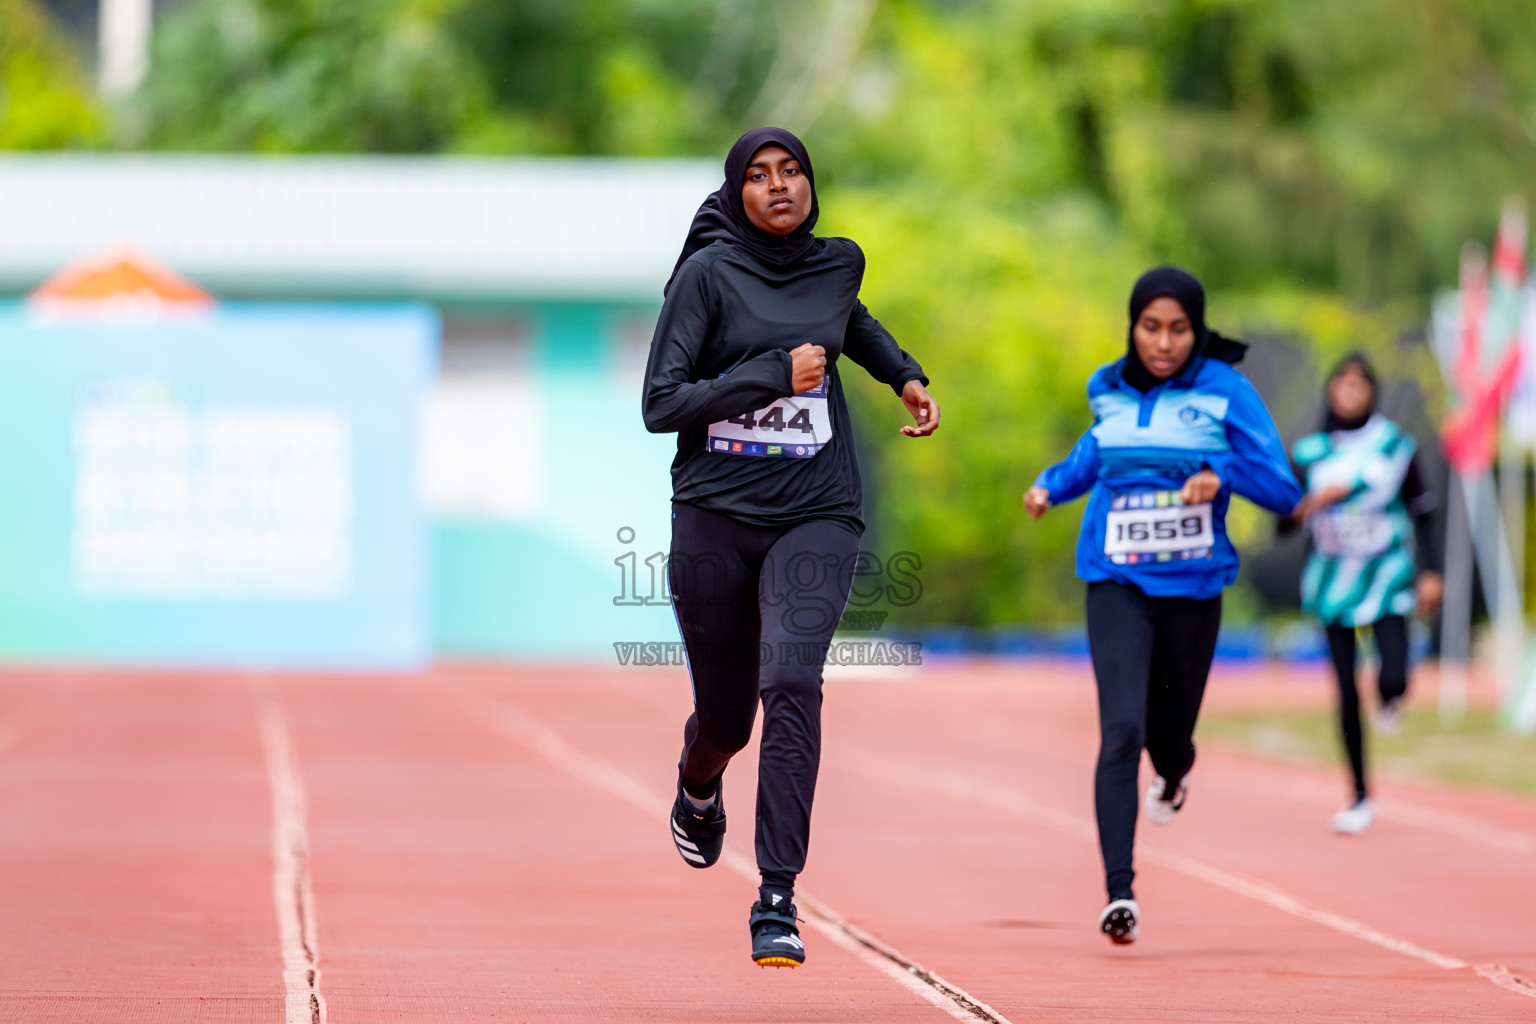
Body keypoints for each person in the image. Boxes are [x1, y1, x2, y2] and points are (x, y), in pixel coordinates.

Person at [642, 127, 939, 968]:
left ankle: (777, 896)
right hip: (714, 514)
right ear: (737, 192)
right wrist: (773, 374)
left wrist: (903, 374)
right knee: (730, 717)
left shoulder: (840, 262)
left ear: (811, 185)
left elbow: (852, 321)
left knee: (792, 681)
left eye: (793, 172)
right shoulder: (706, 277)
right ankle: (699, 783)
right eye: (761, 176)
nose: (780, 186)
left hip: (818, 508)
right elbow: (661, 403)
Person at [1023, 266, 1300, 946]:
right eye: (1152, 327)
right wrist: (1050, 487)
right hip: (1114, 578)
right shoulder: (1106, 387)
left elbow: (1283, 488)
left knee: (1167, 737)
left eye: (1179, 329)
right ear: (1133, 327)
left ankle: (1174, 771)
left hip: (1193, 589)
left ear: (1197, 332)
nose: (1164, 342)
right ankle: (1120, 892)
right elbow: (1095, 451)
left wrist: (1222, 474)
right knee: (1120, 729)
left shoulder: (1227, 392)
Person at [1285, 353, 1443, 834]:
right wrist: (1314, 502)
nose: (1351, 389)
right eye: (1343, 381)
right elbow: (1282, 524)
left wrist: (1431, 571)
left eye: (1361, 382)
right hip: (1332, 582)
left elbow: (1424, 510)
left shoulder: (1395, 446)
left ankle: (1393, 695)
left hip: (1387, 573)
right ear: (1331, 390)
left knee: (1391, 676)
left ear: (1372, 390)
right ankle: (1357, 795)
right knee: (1346, 692)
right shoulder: (1310, 452)